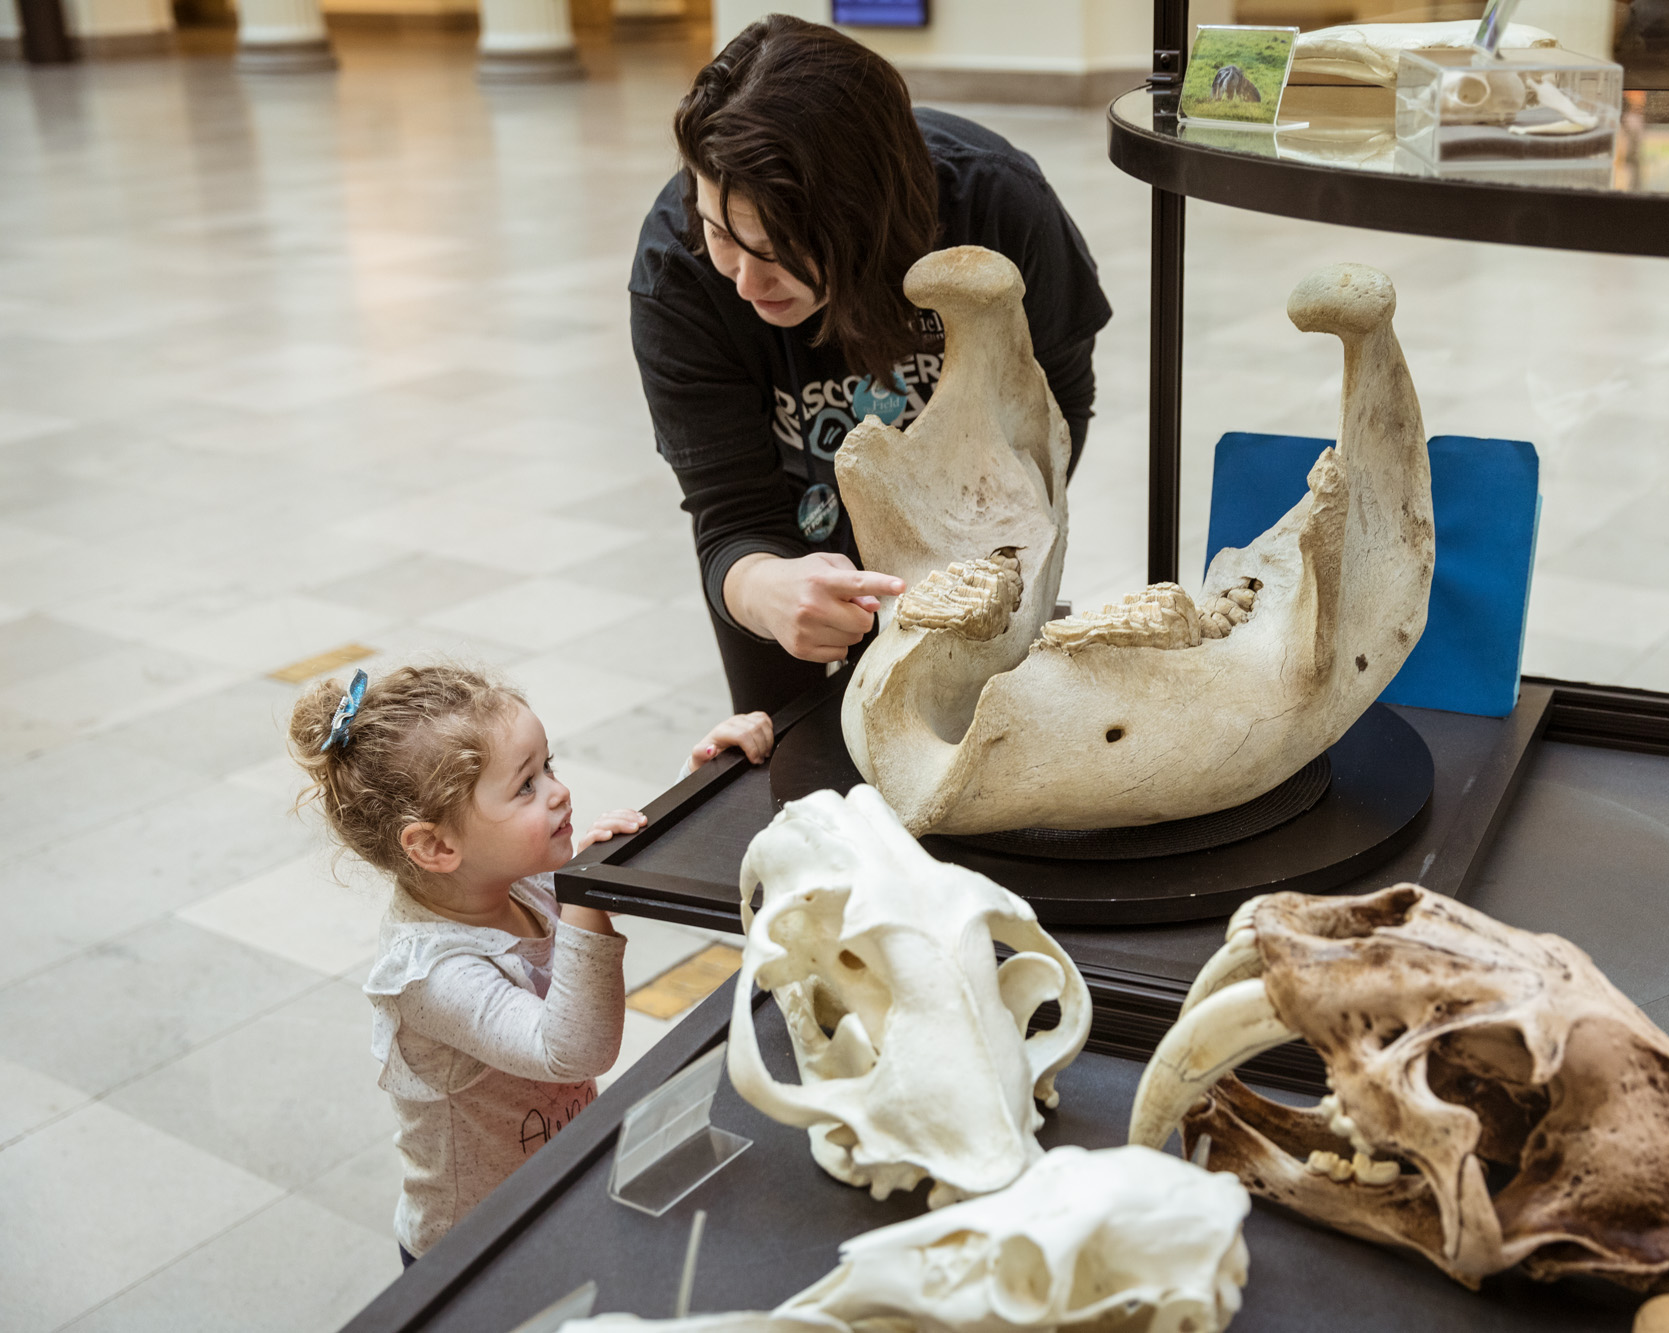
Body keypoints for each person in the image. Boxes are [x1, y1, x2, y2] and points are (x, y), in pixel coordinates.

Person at [630, 15, 1112, 713]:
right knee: (791, 766)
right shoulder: (678, 271)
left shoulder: (995, 206)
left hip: (976, 552)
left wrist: (990, 537)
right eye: (716, 229)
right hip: (790, 551)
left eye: (773, 250)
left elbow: (1059, 398)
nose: (740, 278)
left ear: (865, 216)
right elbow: (730, 515)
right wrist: (767, 589)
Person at [287, 663, 772, 1266]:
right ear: (436, 846)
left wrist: (700, 785)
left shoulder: (515, 878)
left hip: (555, 1184)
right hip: (472, 1248)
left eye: (550, 767)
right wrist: (586, 902)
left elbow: (625, 869)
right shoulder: (429, 975)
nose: (557, 790)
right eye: (525, 786)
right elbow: (572, 1050)